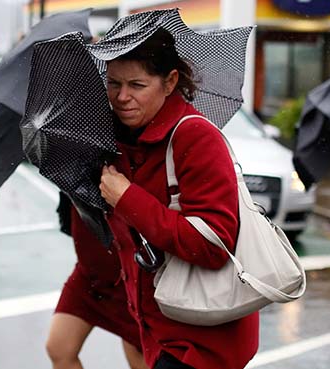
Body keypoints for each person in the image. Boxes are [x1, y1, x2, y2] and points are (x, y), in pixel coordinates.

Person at [99, 28, 259, 369]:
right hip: (158, 327)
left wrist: (126, 197)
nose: (121, 96)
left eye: (137, 85)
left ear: (170, 82)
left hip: (202, 340)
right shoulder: (119, 142)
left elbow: (213, 244)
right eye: (113, 83)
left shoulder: (195, 136)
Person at [46, 192, 149, 369]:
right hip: (89, 274)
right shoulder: (65, 167)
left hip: (128, 276)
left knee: (139, 358)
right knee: (59, 348)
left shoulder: (116, 167)